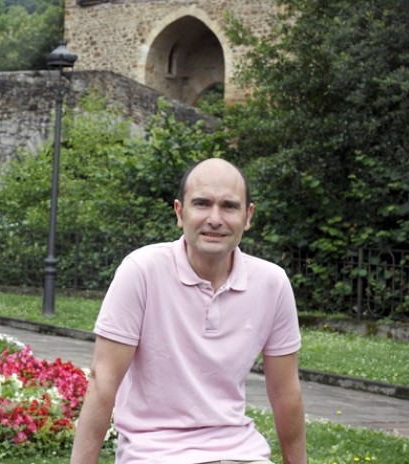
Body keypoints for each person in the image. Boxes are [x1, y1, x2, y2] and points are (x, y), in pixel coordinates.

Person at [70, 158, 306, 464]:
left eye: (229, 206)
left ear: (248, 217)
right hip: (154, 453)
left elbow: (286, 392)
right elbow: (104, 381)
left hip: (241, 453)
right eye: (202, 204)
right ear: (180, 213)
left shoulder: (272, 284)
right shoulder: (142, 271)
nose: (215, 218)